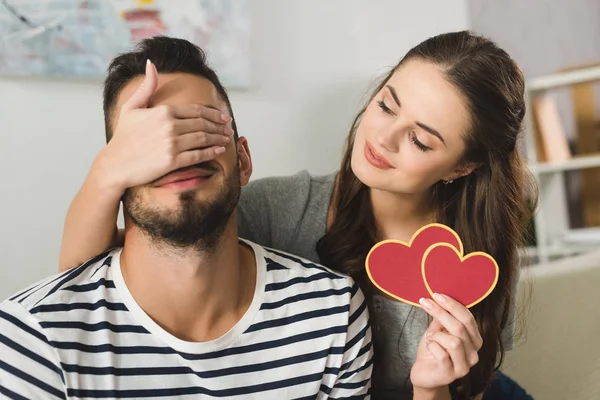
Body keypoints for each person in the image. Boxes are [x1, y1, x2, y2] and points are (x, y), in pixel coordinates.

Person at [56, 31, 536, 400]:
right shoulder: (280, 209)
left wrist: (432, 388)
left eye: (420, 139)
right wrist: (110, 168)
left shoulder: (481, 265)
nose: (383, 138)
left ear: (463, 166)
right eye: (387, 105)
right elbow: (87, 277)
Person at [0, 37, 375, 399]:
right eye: (147, 141)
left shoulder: (332, 317)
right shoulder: (32, 337)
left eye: (200, 130)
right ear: (114, 169)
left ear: (242, 160)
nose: (177, 155)